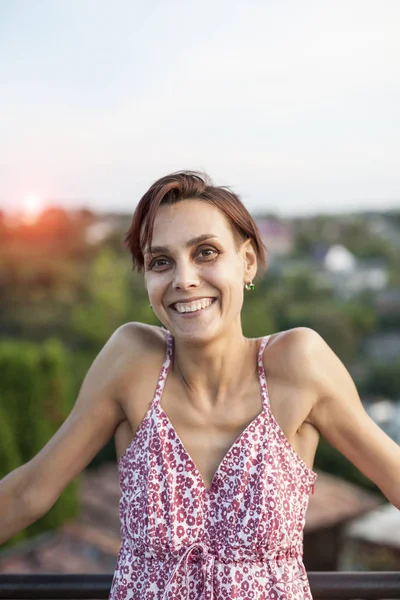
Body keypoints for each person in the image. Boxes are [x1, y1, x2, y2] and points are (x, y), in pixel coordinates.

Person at [1, 171, 399, 599]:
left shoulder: (297, 363)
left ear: (246, 261)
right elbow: (28, 492)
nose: (184, 279)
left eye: (205, 252)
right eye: (161, 261)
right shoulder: (133, 360)